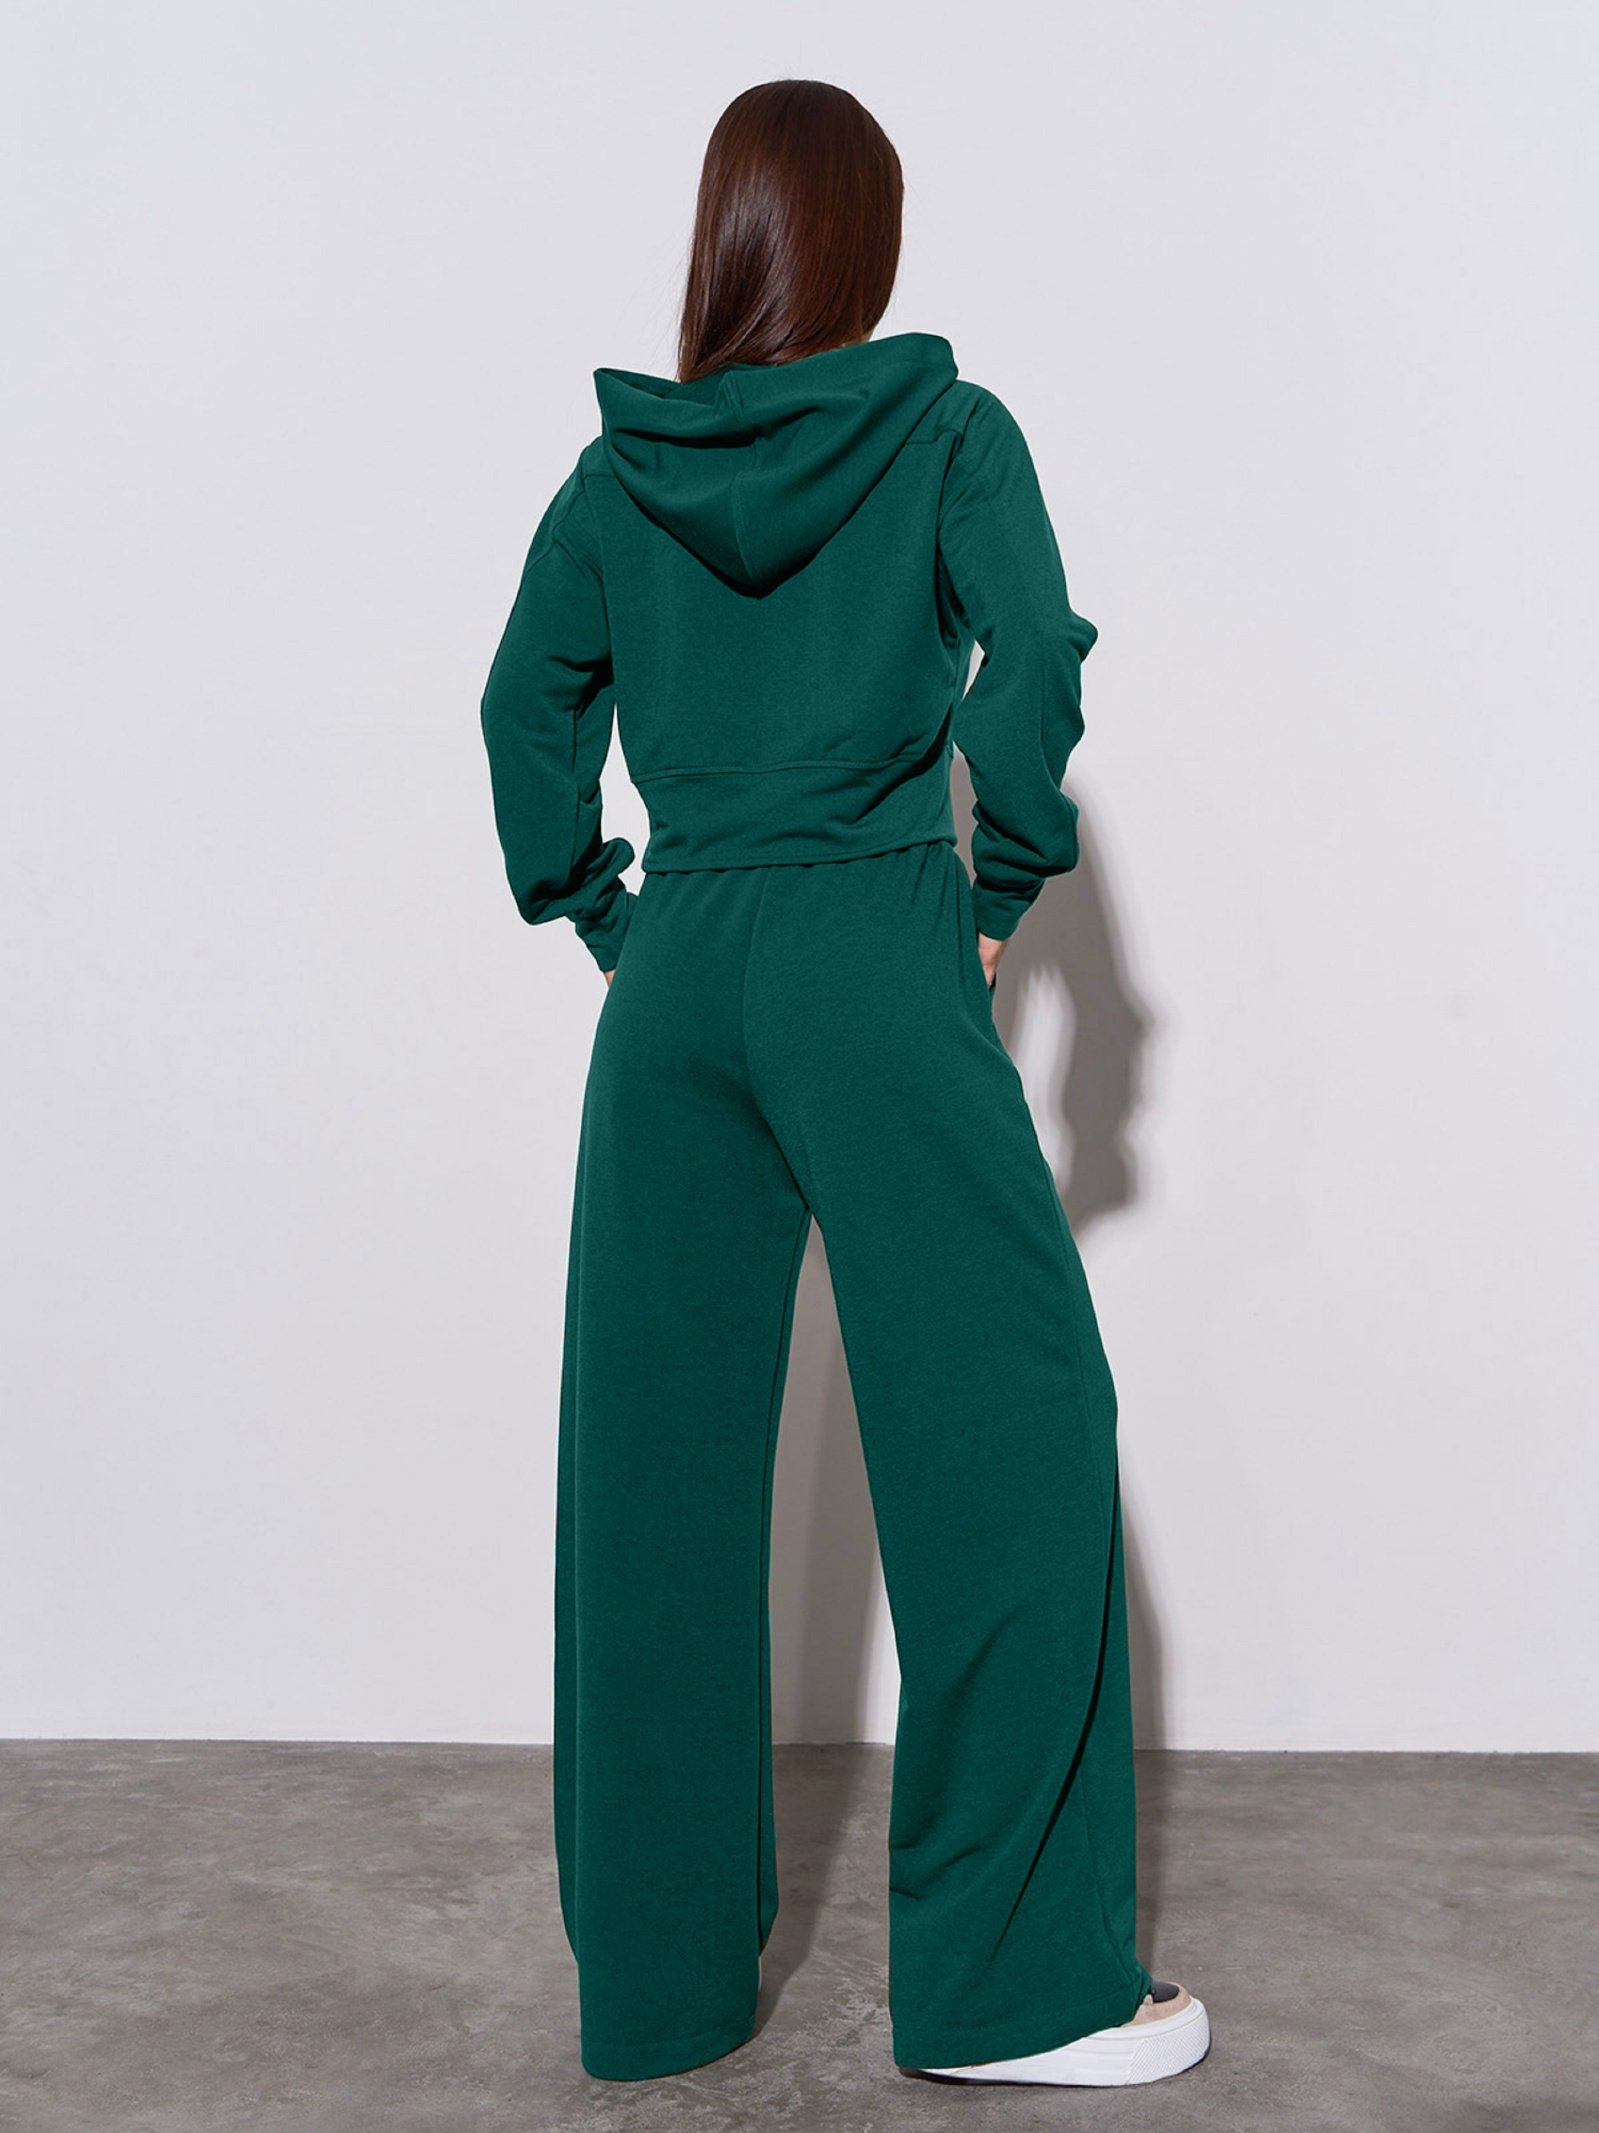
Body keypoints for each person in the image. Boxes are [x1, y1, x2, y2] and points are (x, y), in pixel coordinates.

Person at [478, 77, 1211, 2091]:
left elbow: (524, 705)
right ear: (865, 243)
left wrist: (610, 914)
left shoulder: (617, 475)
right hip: (876, 946)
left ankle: (652, 1996)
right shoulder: (945, 433)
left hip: (681, 977)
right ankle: (1014, 1990)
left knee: (648, 1490)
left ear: (725, 236)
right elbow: (1033, 650)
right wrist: (995, 890)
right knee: (1010, 1444)